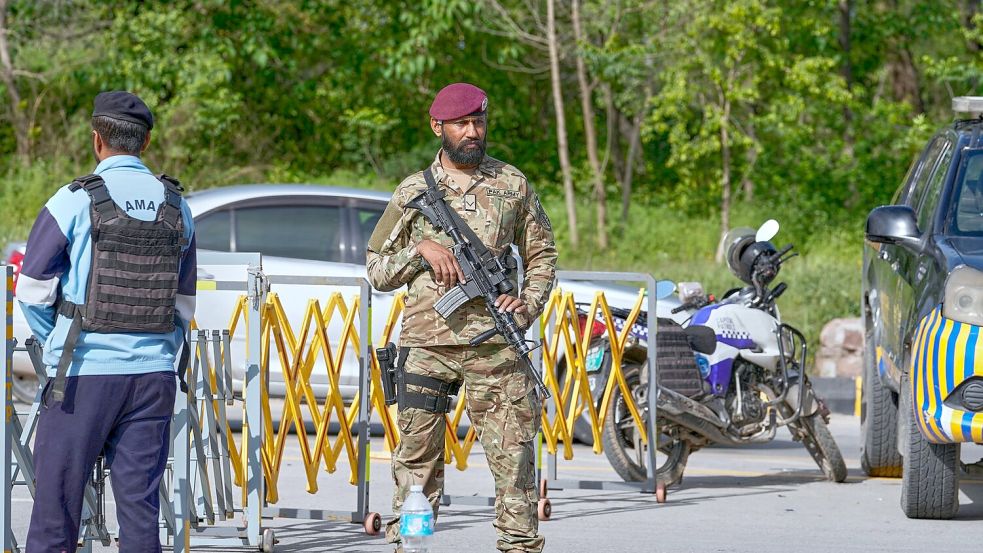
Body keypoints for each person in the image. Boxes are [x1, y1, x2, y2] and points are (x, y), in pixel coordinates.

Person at [367, 82, 557, 553]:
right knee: (416, 463)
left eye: (478, 122)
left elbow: (543, 256)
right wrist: (419, 250)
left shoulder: (513, 185)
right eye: (461, 123)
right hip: (427, 346)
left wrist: (528, 304)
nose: (472, 131)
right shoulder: (413, 192)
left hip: (495, 344)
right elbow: (376, 269)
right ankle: (413, 546)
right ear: (438, 128)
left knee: (514, 459)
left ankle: (518, 546)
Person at [16, 91, 196, 552]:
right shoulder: (177, 204)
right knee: (139, 511)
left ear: (97, 140)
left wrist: (56, 341)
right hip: (153, 378)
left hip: (81, 377)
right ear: (147, 142)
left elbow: (32, 289)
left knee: (56, 511)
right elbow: (184, 306)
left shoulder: (73, 201)